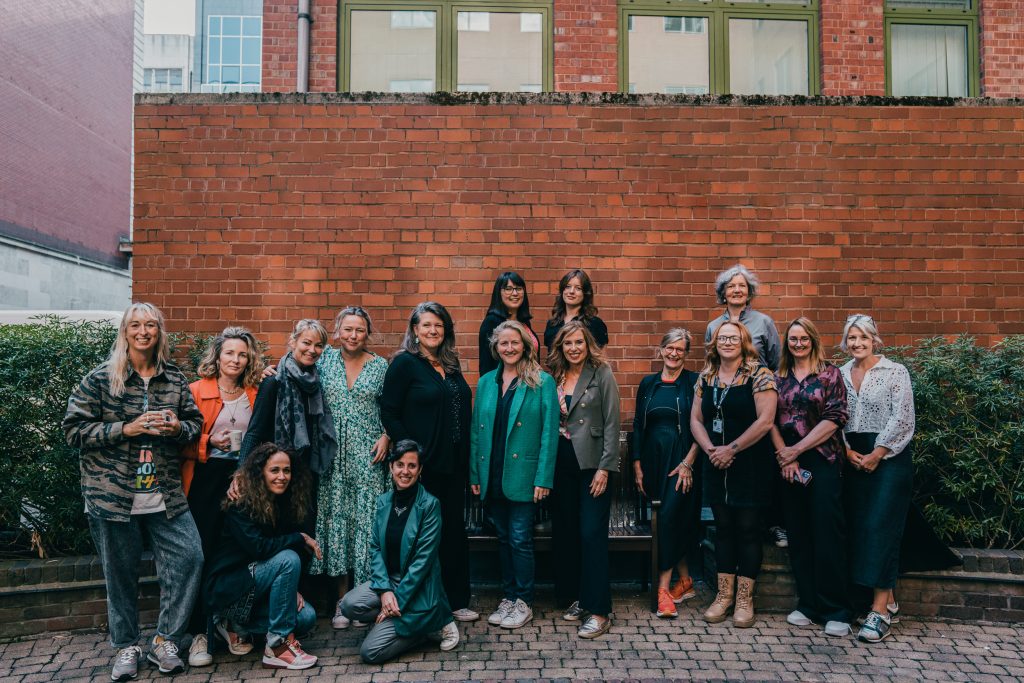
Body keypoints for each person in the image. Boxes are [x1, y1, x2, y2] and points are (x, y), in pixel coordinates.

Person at [63, 302, 203, 680]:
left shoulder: (174, 379)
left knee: (189, 558)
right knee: (120, 576)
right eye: (136, 325)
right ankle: (126, 646)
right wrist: (126, 429)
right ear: (125, 331)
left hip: (165, 495)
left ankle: (164, 639)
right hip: (112, 497)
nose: (144, 332)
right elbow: (74, 430)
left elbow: (194, 424)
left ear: (159, 332)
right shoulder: (100, 379)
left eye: (151, 325)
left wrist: (177, 428)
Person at [379, 302, 477, 622]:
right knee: (423, 536)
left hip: (454, 465)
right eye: (427, 325)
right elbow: (389, 412)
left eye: (439, 325)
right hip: (423, 467)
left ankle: (457, 600)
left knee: (454, 532)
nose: (433, 330)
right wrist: (409, 454)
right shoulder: (404, 364)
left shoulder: (450, 364)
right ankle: (421, 602)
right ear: (415, 330)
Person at [181, 326, 263, 666]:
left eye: (242, 354)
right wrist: (207, 442)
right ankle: (199, 632)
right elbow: (177, 440)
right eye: (229, 352)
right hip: (205, 479)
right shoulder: (195, 391)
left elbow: (263, 438)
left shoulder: (256, 393)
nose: (236, 359)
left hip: (243, 481)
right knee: (202, 553)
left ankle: (229, 622)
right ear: (217, 356)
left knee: (235, 553)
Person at [469, 321, 559, 629]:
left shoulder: (542, 381)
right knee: (504, 538)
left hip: (524, 474)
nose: (509, 348)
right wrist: (475, 473)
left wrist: (543, 478)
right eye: (503, 343)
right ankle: (508, 597)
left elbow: (549, 433)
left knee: (521, 539)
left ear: (526, 346)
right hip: (492, 471)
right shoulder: (486, 382)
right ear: (496, 348)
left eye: (514, 342)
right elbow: (476, 431)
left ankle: (524, 601)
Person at [307, 307, 391, 630]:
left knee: (366, 525)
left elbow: (391, 406)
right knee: (338, 523)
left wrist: (387, 436)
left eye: (359, 330)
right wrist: (268, 373)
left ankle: (364, 601)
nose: (353, 335)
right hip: (331, 456)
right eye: (347, 329)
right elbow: (294, 367)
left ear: (367, 333)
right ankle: (341, 602)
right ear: (338, 331)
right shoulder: (323, 360)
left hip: (369, 454)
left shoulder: (380, 366)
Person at [340, 440, 461, 663]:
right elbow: (376, 548)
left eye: (412, 466)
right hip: (391, 581)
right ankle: (412, 623)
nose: (405, 471)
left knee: (370, 653)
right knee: (348, 605)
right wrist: (385, 590)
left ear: (420, 469)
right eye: (400, 465)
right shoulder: (383, 501)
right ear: (391, 467)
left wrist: (394, 602)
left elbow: (422, 562)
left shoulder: (430, 505)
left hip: (418, 586)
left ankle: (422, 629)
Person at [203, 443, 320, 671]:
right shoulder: (241, 503)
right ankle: (277, 647)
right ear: (260, 473)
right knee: (288, 558)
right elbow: (261, 549)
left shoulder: (282, 502)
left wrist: (289, 588)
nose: (282, 476)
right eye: (274, 470)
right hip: (229, 587)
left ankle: (237, 626)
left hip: (257, 586)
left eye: (286, 470)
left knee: (306, 618)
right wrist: (299, 538)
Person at [691, 320, 777, 629]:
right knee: (723, 527)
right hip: (716, 464)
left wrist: (732, 449)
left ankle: (744, 599)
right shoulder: (707, 376)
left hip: (750, 462)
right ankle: (724, 595)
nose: (727, 343)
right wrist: (711, 450)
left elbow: (766, 421)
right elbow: (696, 420)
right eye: (722, 338)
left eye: (733, 338)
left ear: (744, 343)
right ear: (714, 343)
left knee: (748, 528)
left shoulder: (760, 375)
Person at [769, 317, 852, 638]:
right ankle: (808, 604)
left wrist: (797, 450)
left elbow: (836, 417)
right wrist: (785, 455)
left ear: (813, 340)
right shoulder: (777, 377)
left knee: (828, 534)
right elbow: (769, 419)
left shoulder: (830, 374)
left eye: (804, 338)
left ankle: (836, 609)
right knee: (799, 533)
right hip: (788, 464)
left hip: (823, 460)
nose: (798, 344)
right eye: (793, 339)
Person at [840, 314, 916, 644]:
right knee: (859, 528)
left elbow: (903, 417)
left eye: (863, 337)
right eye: (852, 338)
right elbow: (834, 416)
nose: (857, 343)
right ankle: (888, 599)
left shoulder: (895, 371)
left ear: (875, 339)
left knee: (880, 528)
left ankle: (880, 612)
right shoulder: (840, 374)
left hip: (889, 458)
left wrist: (878, 452)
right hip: (852, 456)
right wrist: (845, 450)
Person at [546, 320, 620, 639]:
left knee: (592, 533)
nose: (574, 348)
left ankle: (600, 611)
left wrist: (605, 467)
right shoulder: (555, 376)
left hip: (592, 464)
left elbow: (613, 422)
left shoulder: (601, 373)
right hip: (561, 463)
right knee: (568, 532)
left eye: (579, 342)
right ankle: (579, 598)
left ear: (588, 344)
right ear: (560, 347)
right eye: (568, 343)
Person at [704, 264, 787, 550]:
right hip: (728, 406)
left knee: (761, 464)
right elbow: (711, 364)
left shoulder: (764, 322)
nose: (737, 290)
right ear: (723, 292)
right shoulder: (714, 327)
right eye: (731, 286)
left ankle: (772, 524)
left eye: (742, 286)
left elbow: (776, 363)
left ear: (749, 292)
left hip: (759, 401)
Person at [238, 319, 338, 530]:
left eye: (319, 345)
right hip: (277, 474)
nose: (312, 350)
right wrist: (240, 473)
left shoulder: (317, 383)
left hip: (306, 475)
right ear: (293, 342)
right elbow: (254, 431)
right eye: (306, 343)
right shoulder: (273, 381)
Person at [632, 328, 701, 619]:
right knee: (669, 520)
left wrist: (689, 462)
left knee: (670, 517)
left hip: (681, 461)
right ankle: (685, 581)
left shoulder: (694, 382)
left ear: (686, 354)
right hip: (653, 462)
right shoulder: (648, 383)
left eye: (680, 349)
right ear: (661, 350)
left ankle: (662, 591)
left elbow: (702, 425)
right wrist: (636, 463)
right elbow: (638, 424)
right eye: (669, 348)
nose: (674, 354)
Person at [478, 271, 539, 376]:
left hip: (530, 381)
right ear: (499, 293)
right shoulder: (491, 322)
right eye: (508, 289)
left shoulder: (524, 323)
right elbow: (486, 364)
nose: (515, 293)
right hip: (505, 384)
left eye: (518, 289)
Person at [543, 269, 609, 351]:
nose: (571, 291)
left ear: (585, 293)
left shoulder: (595, 324)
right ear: (562, 290)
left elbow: (602, 356)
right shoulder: (552, 324)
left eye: (578, 288)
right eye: (568, 287)